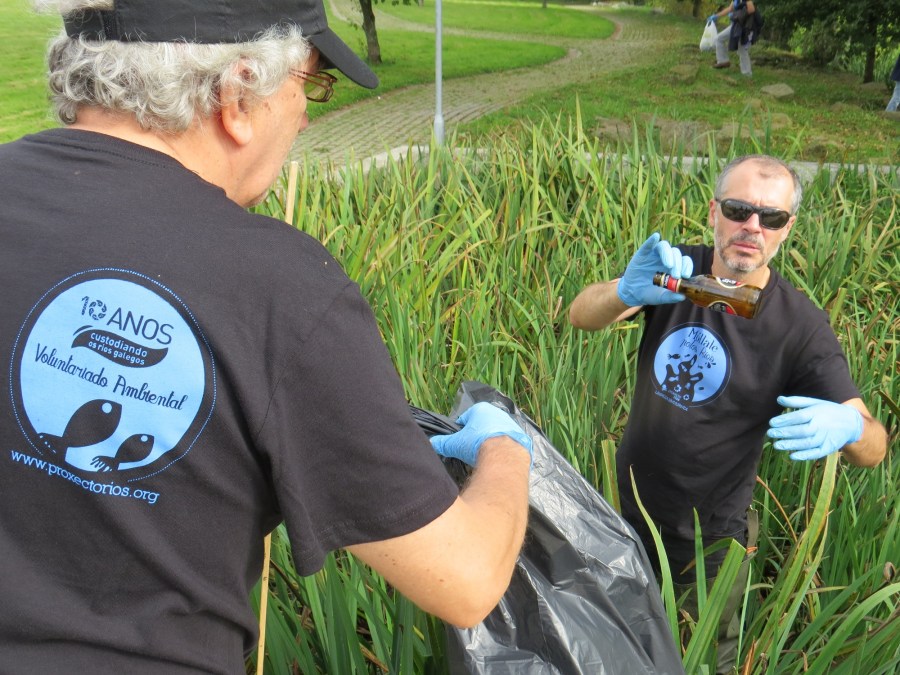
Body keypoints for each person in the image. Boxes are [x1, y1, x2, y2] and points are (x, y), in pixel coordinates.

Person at [0, 1, 533, 672]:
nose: (307, 115)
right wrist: (506, 448)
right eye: (309, 85)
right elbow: (466, 577)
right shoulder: (282, 288)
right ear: (237, 96)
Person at [569, 154, 887, 674]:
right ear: (715, 212)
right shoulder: (675, 271)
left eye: (772, 217)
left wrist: (851, 427)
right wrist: (624, 291)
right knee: (612, 656)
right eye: (739, 209)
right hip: (621, 519)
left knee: (698, 663)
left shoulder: (799, 326)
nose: (752, 227)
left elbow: (875, 445)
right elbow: (581, 315)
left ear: (787, 229)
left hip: (710, 544)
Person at [707, 0, 761, 77]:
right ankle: (723, 61)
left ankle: (747, 74)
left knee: (742, 48)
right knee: (719, 38)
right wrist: (716, 16)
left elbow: (751, 9)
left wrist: (736, 15)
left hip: (745, 26)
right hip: (736, 25)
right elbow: (730, 9)